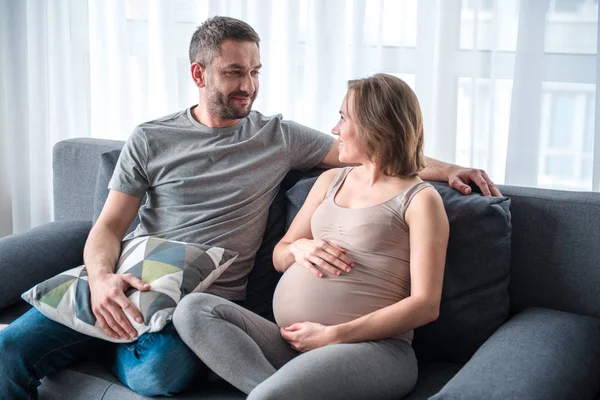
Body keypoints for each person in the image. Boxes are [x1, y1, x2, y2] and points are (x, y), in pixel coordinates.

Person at [0, 16, 497, 398]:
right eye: (235, 72)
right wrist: (103, 279)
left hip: (193, 306)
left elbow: (380, 148)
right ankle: (95, 329)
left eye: (255, 71)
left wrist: (449, 168)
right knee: (9, 349)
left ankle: (99, 341)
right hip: (132, 280)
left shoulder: (277, 137)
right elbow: (108, 226)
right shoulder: (151, 138)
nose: (249, 85)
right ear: (199, 73)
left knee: (158, 372)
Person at [173, 73, 449, 399]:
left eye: (343, 118)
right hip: (293, 342)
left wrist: (334, 335)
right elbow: (280, 255)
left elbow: (425, 305)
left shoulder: (420, 200)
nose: (334, 130)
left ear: (376, 125)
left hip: (374, 349)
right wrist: (300, 248)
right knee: (193, 310)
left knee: (268, 397)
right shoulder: (330, 181)